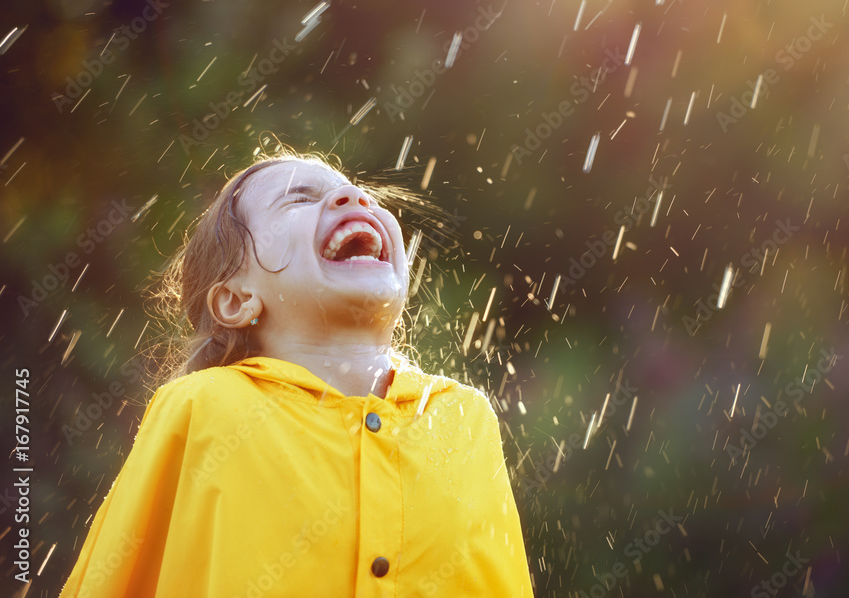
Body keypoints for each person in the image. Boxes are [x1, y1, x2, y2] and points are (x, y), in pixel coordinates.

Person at [59, 148, 533, 597]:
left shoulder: (465, 419)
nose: (356, 197)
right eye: (299, 198)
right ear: (236, 299)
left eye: (359, 191)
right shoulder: (202, 408)